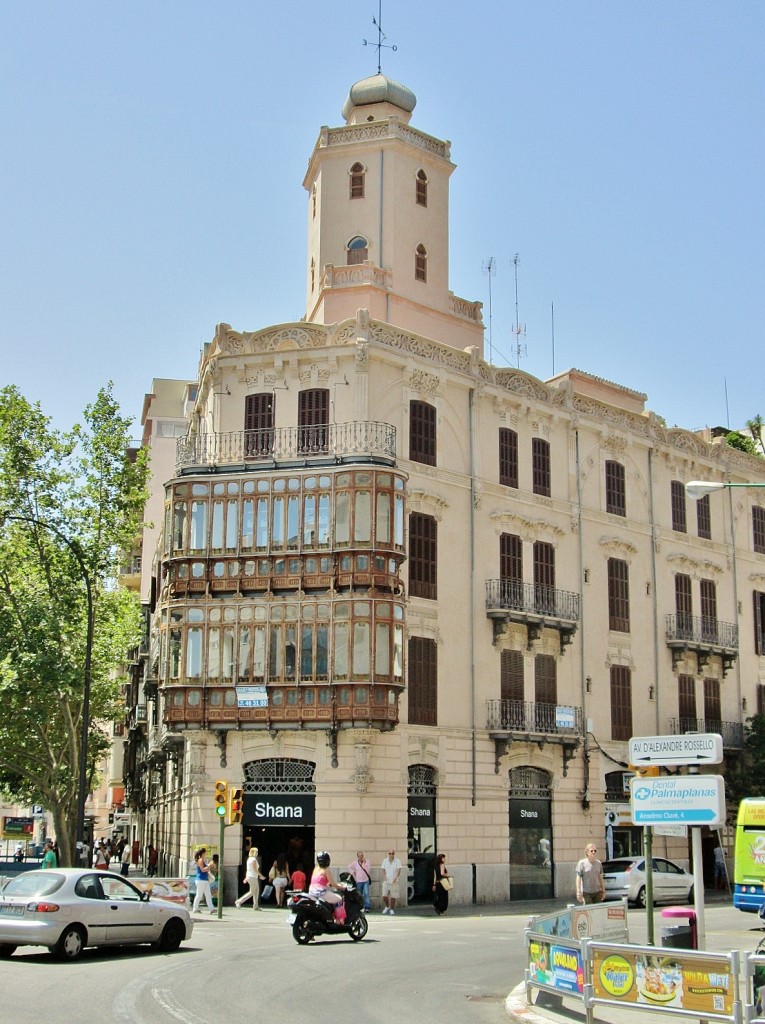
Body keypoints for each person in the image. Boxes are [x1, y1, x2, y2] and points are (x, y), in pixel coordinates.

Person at [309, 852, 343, 918]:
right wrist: (342, 887)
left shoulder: (315, 869)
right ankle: (339, 920)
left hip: (312, 892)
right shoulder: (326, 869)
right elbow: (333, 884)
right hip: (321, 893)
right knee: (339, 899)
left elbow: (318, 882)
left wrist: (328, 884)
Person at [192, 847, 216, 914]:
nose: (206, 854)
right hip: (201, 880)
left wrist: (209, 866)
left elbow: (205, 869)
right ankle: (195, 908)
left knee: (208, 895)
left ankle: (211, 909)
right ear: (203, 853)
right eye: (205, 853)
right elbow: (203, 869)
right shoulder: (200, 860)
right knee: (199, 895)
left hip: (204, 880)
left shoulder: (202, 860)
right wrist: (209, 866)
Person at [380, 848, 402, 914]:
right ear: (388, 854)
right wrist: (384, 877)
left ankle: (392, 909)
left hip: (394, 880)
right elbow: (382, 869)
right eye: (390, 853)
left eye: (392, 853)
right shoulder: (385, 861)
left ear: (394, 854)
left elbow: (399, 870)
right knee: (384, 896)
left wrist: (396, 877)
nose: (391, 855)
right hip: (386, 880)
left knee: (393, 896)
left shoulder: (397, 861)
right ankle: (387, 906)